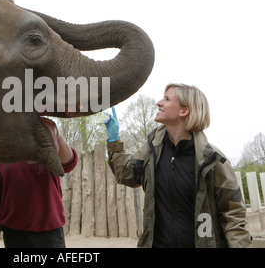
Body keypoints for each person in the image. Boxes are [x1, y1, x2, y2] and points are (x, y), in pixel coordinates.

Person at [104, 83, 251, 248]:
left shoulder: (214, 160)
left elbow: (234, 216)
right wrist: (114, 141)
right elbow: (126, 175)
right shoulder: (151, 149)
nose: (159, 102)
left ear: (184, 111)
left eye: (167, 99)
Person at [0, 117, 77, 248]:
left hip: (50, 233)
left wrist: (56, 134)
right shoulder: (2, 151)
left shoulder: (46, 139)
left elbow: (69, 164)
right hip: (14, 235)